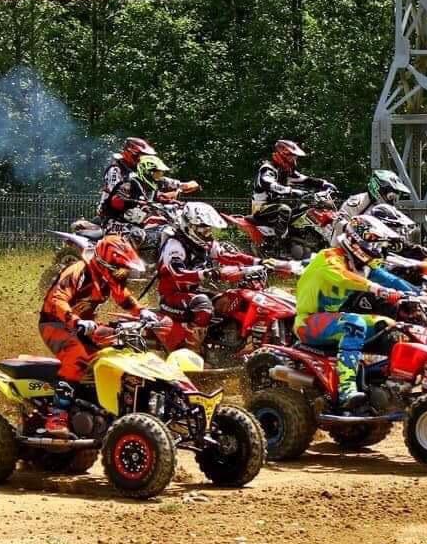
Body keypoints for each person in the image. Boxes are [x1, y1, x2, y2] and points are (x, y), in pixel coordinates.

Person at [295, 216, 417, 409]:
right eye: (373, 243)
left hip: (331, 320)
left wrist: (423, 294)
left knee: (390, 326)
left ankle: (386, 383)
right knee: (354, 323)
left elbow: (392, 280)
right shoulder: (328, 258)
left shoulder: (363, 266)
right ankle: (347, 390)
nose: (377, 249)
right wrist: (377, 289)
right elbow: (344, 277)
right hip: (308, 322)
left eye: (379, 244)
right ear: (356, 239)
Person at [154, 202, 289, 352]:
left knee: (229, 300)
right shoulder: (175, 245)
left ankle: (228, 344)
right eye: (203, 227)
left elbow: (229, 256)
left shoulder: (205, 243)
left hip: (193, 292)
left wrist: (260, 262)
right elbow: (178, 274)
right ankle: (191, 350)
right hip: (171, 297)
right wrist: (211, 273)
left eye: (209, 227)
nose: (208, 231)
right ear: (189, 226)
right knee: (203, 305)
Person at [39, 234, 158, 394]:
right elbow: (57, 299)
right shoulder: (78, 271)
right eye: (119, 268)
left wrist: (142, 311)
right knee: (78, 356)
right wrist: (76, 321)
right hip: (55, 324)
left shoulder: (107, 276)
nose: (123, 273)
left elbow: (122, 296)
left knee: (121, 348)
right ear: (105, 263)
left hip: (84, 326)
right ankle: (60, 405)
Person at [251, 140, 336, 239]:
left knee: (303, 208)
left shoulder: (285, 171)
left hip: (276, 204)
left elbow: (305, 179)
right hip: (261, 208)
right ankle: (280, 240)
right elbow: (270, 184)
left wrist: (323, 183)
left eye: (295, 157)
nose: (294, 160)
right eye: (291, 157)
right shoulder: (267, 169)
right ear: (282, 155)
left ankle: (301, 237)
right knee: (284, 209)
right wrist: (290, 191)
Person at [97, 137, 156, 217]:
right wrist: (138, 202)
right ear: (127, 152)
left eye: (142, 156)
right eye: (137, 156)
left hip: (134, 210)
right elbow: (115, 195)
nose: (139, 159)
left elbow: (148, 189)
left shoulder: (136, 170)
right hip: (114, 213)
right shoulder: (115, 169)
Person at [339, 169, 412, 220]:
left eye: (395, 196)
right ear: (379, 188)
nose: (392, 199)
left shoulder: (390, 209)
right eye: (390, 195)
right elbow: (340, 224)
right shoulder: (357, 202)